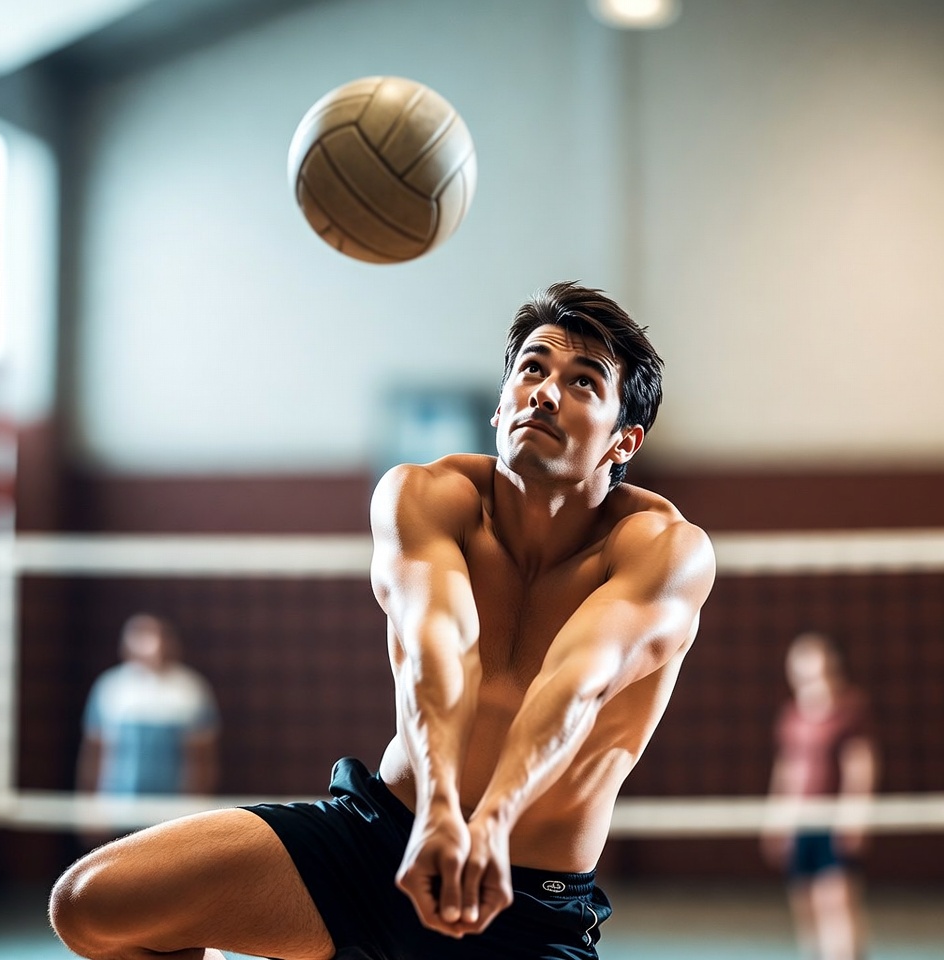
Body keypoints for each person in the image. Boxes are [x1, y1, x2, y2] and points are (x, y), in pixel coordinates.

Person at [50, 282, 715, 960]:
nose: (545, 391)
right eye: (533, 369)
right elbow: (438, 652)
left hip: (526, 906)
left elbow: (575, 683)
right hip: (382, 841)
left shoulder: (664, 549)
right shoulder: (425, 496)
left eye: (583, 383)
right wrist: (438, 812)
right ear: (499, 404)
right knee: (93, 905)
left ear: (622, 439)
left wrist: (489, 823)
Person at [762, 632, 878, 960]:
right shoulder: (792, 715)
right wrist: (775, 818)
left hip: (832, 819)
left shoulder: (850, 709)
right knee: (806, 903)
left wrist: (854, 817)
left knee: (837, 901)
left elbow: (861, 765)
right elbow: (786, 769)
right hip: (800, 821)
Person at [78, 613, 220, 800]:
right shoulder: (110, 686)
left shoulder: (190, 688)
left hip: (174, 806)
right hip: (119, 803)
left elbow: (202, 757)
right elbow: (95, 751)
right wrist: (90, 803)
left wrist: (199, 803)